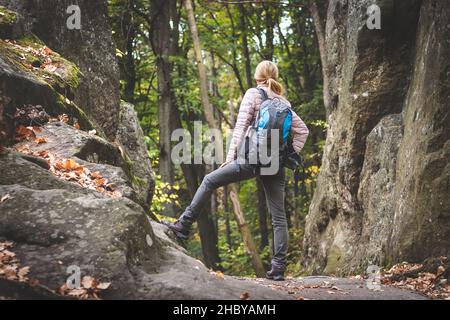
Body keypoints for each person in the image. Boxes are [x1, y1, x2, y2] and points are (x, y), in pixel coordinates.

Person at [162, 61, 309, 281]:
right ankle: (278, 268)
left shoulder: (253, 93)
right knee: (279, 218)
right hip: (275, 164)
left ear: (257, 76)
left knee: (210, 181)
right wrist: (285, 156)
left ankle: (183, 224)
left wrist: (229, 158)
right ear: (275, 76)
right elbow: (302, 131)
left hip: (250, 159)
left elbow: (240, 127)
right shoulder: (284, 102)